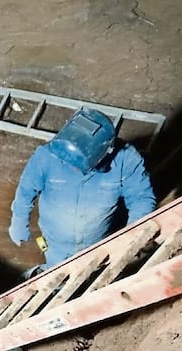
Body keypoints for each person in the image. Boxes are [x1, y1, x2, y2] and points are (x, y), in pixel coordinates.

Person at [9, 108, 156, 270]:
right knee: (56, 273)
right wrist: (19, 223)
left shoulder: (125, 159)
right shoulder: (47, 156)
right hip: (56, 244)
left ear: (105, 153)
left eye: (78, 165)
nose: (71, 167)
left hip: (98, 245)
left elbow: (141, 198)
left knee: (93, 275)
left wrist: (134, 232)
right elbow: (25, 191)